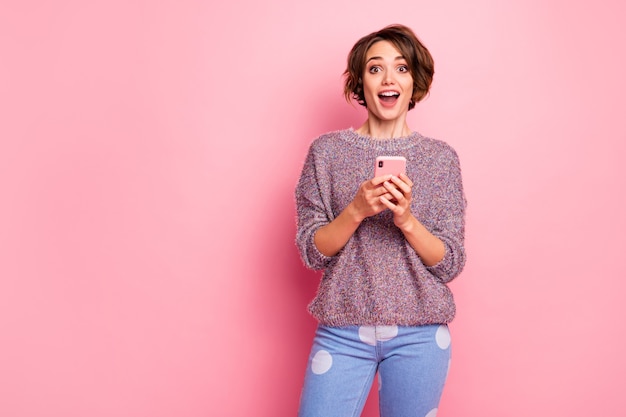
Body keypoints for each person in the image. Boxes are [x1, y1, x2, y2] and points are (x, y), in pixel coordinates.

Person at [294, 24, 467, 417]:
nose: (389, 78)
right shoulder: (327, 153)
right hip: (341, 332)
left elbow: (451, 261)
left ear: (414, 82)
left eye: (401, 68)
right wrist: (355, 211)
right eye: (375, 69)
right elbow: (311, 251)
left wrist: (406, 219)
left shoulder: (442, 160)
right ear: (360, 82)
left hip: (421, 336)